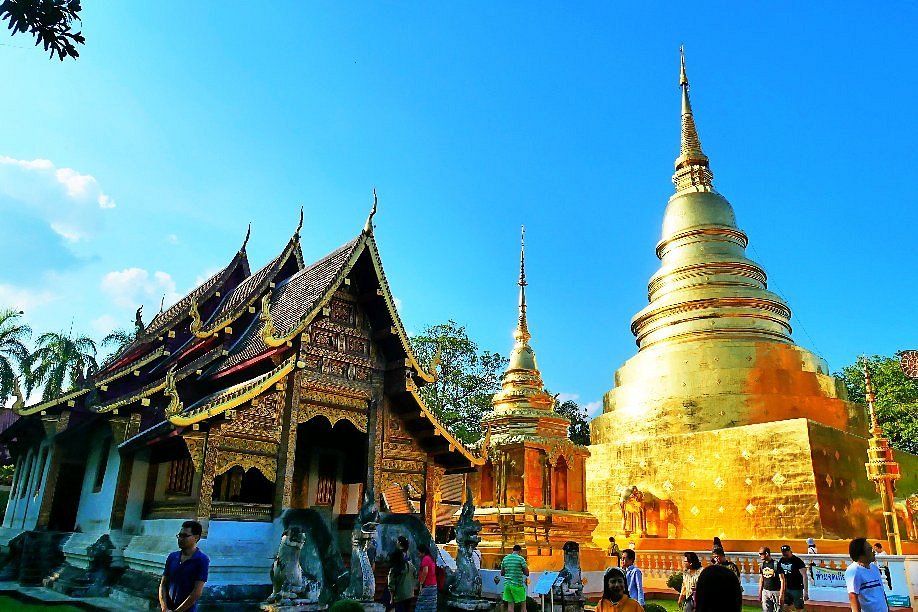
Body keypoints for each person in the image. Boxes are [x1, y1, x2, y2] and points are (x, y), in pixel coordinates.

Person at [159, 520, 209, 612]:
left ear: (196, 538)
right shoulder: (172, 557)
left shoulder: (201, 560)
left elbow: (196, 592)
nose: (181, 539)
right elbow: (163, 584)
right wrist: (164, 607)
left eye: (185, 536)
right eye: (180, 535)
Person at [845, 538, 889, 612]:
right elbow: (853, 597)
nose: (874, 552)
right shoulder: (854, 571)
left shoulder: (874, 568)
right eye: (869, 550)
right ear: (861, 555)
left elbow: (881, 592)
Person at [777, 545, 808, 611]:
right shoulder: (781, 560)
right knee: (785, 607)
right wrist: (781, 592)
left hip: (797, 588)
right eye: (783, 552)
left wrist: (805, 591)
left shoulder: (797, 561)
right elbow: (781, 576)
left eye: (786, 552)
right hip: (787, 588)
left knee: (798, 608)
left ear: (790, 551)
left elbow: (804, 576)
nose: (784, 554)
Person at [500, 544, 529, 612]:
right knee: (523, 607)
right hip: (517, 585)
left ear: (512, 550)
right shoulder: (520, 559)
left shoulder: (505, 558)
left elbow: (502, 573)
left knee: (510, 606)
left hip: (507, 585)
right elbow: (527, 573)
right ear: (520, 551)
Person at [387, 546, 416, 612]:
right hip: (409, 594)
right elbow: (415, 574)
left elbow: (391, 585)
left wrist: (391, 598)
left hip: (399, 596)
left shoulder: (394, 569)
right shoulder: (410, 565)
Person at [758, 547, 784, 612]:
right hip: (765, 591)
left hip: (776, 592)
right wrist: (760, 592)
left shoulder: (776, 564)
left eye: (761, 554)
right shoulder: (762, 565)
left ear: (766, 554)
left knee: (778, 610)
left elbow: (782, 580)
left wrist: (781, 595)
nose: (759, 556)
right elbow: (761, 579)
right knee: (766, 610)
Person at [416, 543, 438, 612]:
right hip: (433, 584)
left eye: (419, 552)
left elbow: (425, 571)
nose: (418, 553)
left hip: (427, 585)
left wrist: (421, 583)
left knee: (422, 604)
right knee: (430, 605)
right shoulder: (431, 558)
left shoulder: (425, 559)